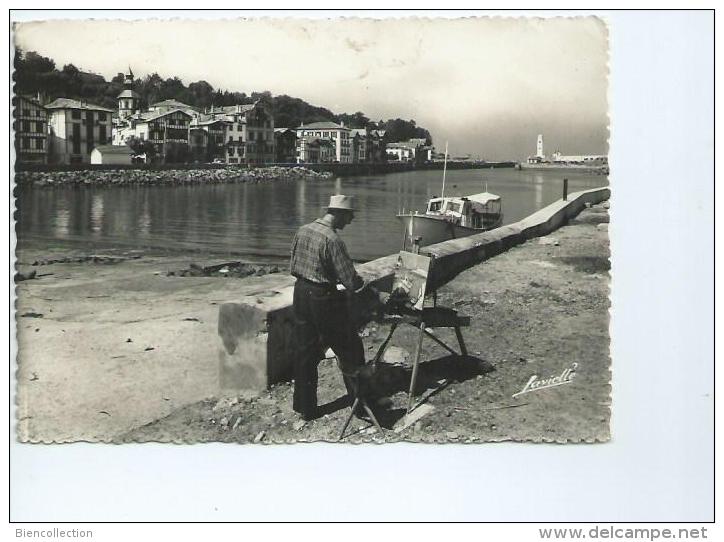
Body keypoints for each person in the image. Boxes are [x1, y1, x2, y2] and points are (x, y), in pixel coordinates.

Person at [289, 194, 371, 421]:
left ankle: (306, 408)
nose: (351, 221)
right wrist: (369, 289)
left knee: (304, 351)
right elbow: (349, 281)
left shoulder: (303, 230)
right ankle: (360, 404)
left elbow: (293, 264)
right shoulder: (332, 240)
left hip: (300, 292)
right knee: (350, 349)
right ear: (340, 214)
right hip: (322, 298)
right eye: (350, 216)